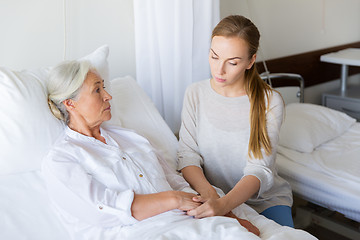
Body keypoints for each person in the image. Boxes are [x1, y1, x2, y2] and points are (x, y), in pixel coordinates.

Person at [43, 59, 260, 239]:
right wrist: (173, 199)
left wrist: (226, 216)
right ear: (70, 104)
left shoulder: (132, 139)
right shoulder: (62, 159)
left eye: (104, 87)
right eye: (97, 90)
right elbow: (103, 210)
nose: (108, 96)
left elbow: (176, 182)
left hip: (191, 224)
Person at [177, 15, 294, 227]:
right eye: (214, 57)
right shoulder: (195, 93)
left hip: (264, 201)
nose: (219, 70)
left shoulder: (270, 101)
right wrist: (211, 195)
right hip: (212, 195)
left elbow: (259, 170)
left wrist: (223, 205)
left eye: (232, 62)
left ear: (250, 61)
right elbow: (187, 155)